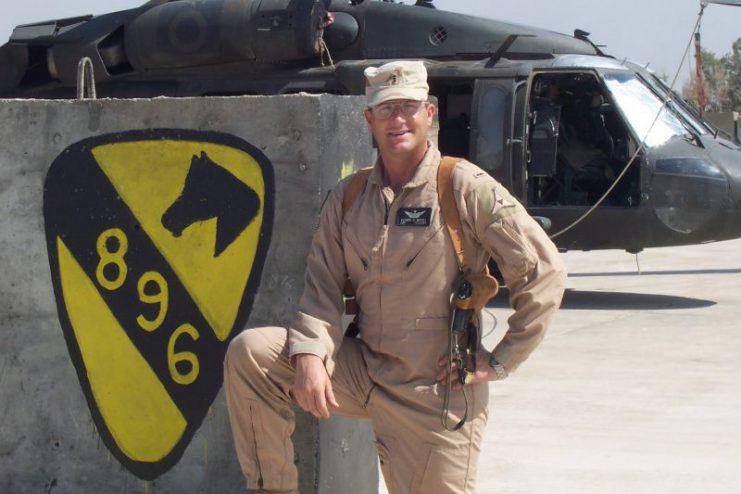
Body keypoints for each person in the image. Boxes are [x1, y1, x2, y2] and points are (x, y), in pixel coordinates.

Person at [224, 60, 567, 494]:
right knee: (252, 354)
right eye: (385, 109)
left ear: (430, 114)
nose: (398, 119)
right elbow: (322, 287)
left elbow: (544, 271)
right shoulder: (349, 197)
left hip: (434, 392)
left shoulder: (462, 186)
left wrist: (500, 360)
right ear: (369, 120)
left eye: (408, 106)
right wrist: (310, 353)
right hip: (364, 372)